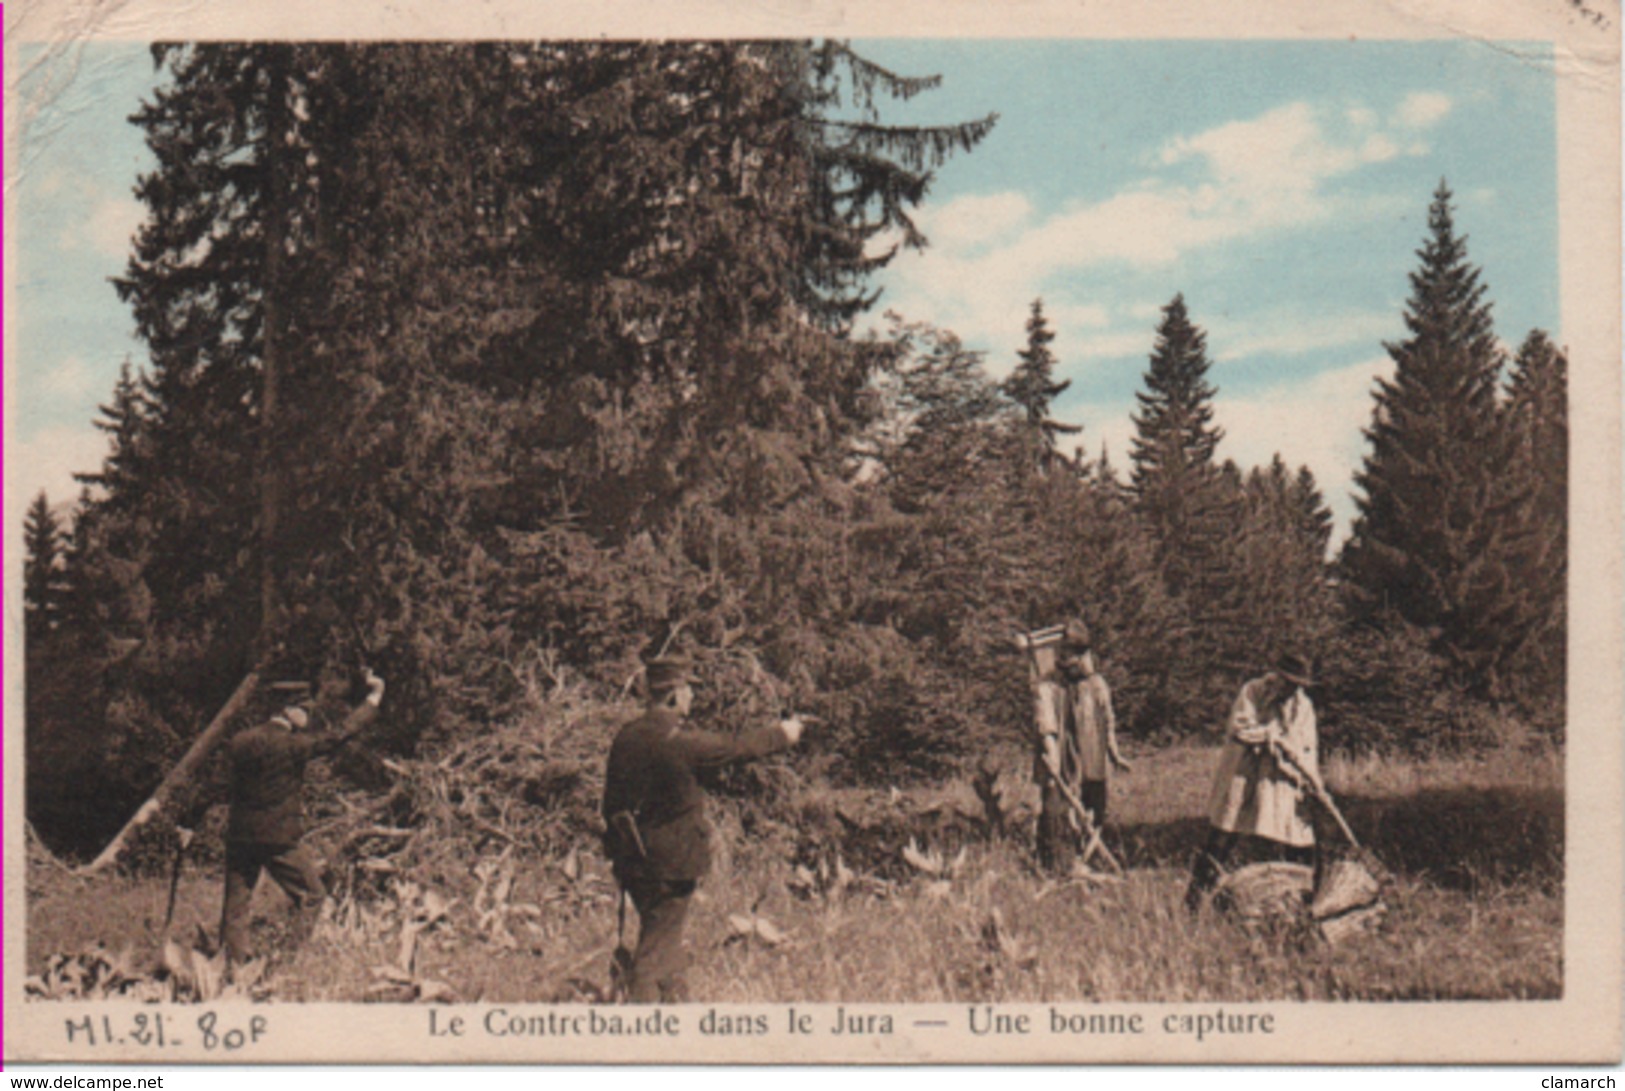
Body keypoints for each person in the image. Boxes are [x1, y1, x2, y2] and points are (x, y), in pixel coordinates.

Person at [601, 655, 804, 1003]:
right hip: (671, 865)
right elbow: (738, 747)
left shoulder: (626, 738)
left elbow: (611, 804)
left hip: (634, 860)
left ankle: (679, 1015)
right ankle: (639, 1032)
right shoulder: (681, 742)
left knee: (666, 944)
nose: (692, 698)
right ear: (673, 697)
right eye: (688, 691)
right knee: (655, 950)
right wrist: (783, 734)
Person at [218, 668, 386, 962]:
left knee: (235, 908)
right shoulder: (295, 745)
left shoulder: (241, 741)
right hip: (279, 839)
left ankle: (233, 968)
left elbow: (214, 786)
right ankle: (287, 960)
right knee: (313, 896)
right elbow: (339, 735)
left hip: (240, 836)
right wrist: (374, 698)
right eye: (306, 710)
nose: (309, 717)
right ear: (290, 711)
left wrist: (187, 823)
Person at [1184, 653, 1318, 912]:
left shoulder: (1303, 706)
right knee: (1225, 832)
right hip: (1244, 774)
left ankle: (1304, 902)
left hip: (1280, 779)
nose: (1291, 688)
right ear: (1277, 676)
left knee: (1297, 838)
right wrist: (1271, 736)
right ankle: (1195, 899)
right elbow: (1239, 728)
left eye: (1297, 684)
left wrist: (1311, 781)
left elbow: (1308, 748)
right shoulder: (1253, 692)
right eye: (1288, 681)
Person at [1032, 621, 1128, 874]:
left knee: (1094, 809)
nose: (1070, 659)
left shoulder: (1096, 684)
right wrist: (1052, 754)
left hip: (1091, 757)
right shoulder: (1047, 685)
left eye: (1076, 653)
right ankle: (1057, 863)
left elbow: (1107, 719)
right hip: (1059, 759)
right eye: (1065, 653)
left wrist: (1114, 751)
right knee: (1055, 807)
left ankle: (1093, 857)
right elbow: (1046, 724)